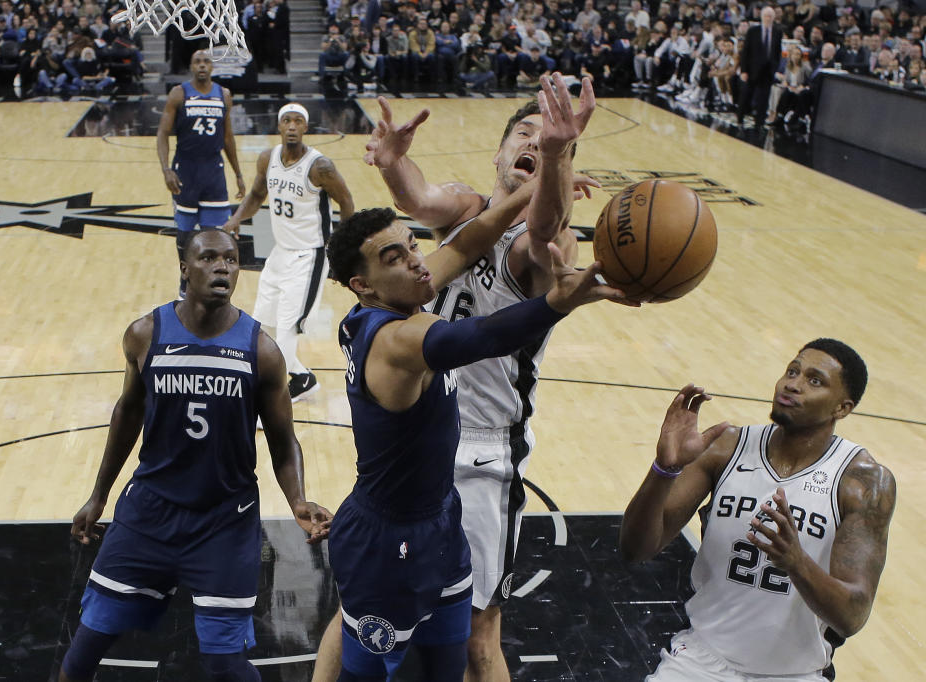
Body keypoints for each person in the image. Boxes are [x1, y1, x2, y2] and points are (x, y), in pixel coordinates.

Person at [312, 74, 615, 682]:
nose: (418, 261)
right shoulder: (401, 330)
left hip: (473, 463)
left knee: (470, 638)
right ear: (498, 154)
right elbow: (430, 217)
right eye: (523, 133)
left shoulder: (536, 240)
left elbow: (517, 229)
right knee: (368, 634)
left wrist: (547, 170)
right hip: (409, 491)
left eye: (550, 137)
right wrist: (560, 300)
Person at [58, 229, 331, 682]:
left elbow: (283, 441)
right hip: (148, 514)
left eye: (231, 259)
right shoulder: (146, 334)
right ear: (185, 268)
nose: (222, 266)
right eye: (208, 258)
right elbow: (127, 414)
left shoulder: (261, 350)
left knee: (225, 665)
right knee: (86, 647)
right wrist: (97, 495)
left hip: (224, 522)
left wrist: (298, 500)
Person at [620, 339, 896, 681]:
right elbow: (636, 550)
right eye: (792, 371)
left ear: (842, 408)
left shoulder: (862, 482)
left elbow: (852, 616)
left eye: (814, 380)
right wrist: (664, 470)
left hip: (798, 673)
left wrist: (797, 562)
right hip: (701, 661)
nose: (793, 383)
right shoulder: (725, 448)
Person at [224, 103, 355, 403]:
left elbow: (347, 202)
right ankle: (302, 379)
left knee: (286, 330)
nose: (292, 126)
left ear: (305, 128)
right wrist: (235, 219)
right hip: (279, 252)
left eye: (298, 121)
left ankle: (272, 398)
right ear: (279, 126)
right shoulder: (267, 158)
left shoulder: (320, 166)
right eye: (287, 121)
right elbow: (257, 195)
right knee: (263, 326)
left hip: (309, 257)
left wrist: (341, 248)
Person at [156, 49, 245, 299]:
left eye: (206, 61)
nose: (202, 65)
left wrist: (238, 173)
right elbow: (162, 133)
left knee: (215, 237)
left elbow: (228, 137)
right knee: (184, 236)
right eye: (197, 61)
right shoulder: (179, 93)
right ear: (191, 67)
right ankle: (185, 284)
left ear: (213, 67)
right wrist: (166, 169)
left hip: (213, 172)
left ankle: (213, 286)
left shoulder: (223, 95)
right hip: (185, 170)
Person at [737, 6, 782, 127]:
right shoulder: (753, 31)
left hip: (768, 71)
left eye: (770, 16)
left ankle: (759, 123)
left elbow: (777, 52)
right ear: (762, 17)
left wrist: (775, 67)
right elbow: (746, 52)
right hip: (752, 69)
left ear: (773, 18)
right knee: (746, 95)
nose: (768, 18)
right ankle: (740, 118)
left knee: (764, 99)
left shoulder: (777, 32)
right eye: (766, 16)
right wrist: (744, 70)